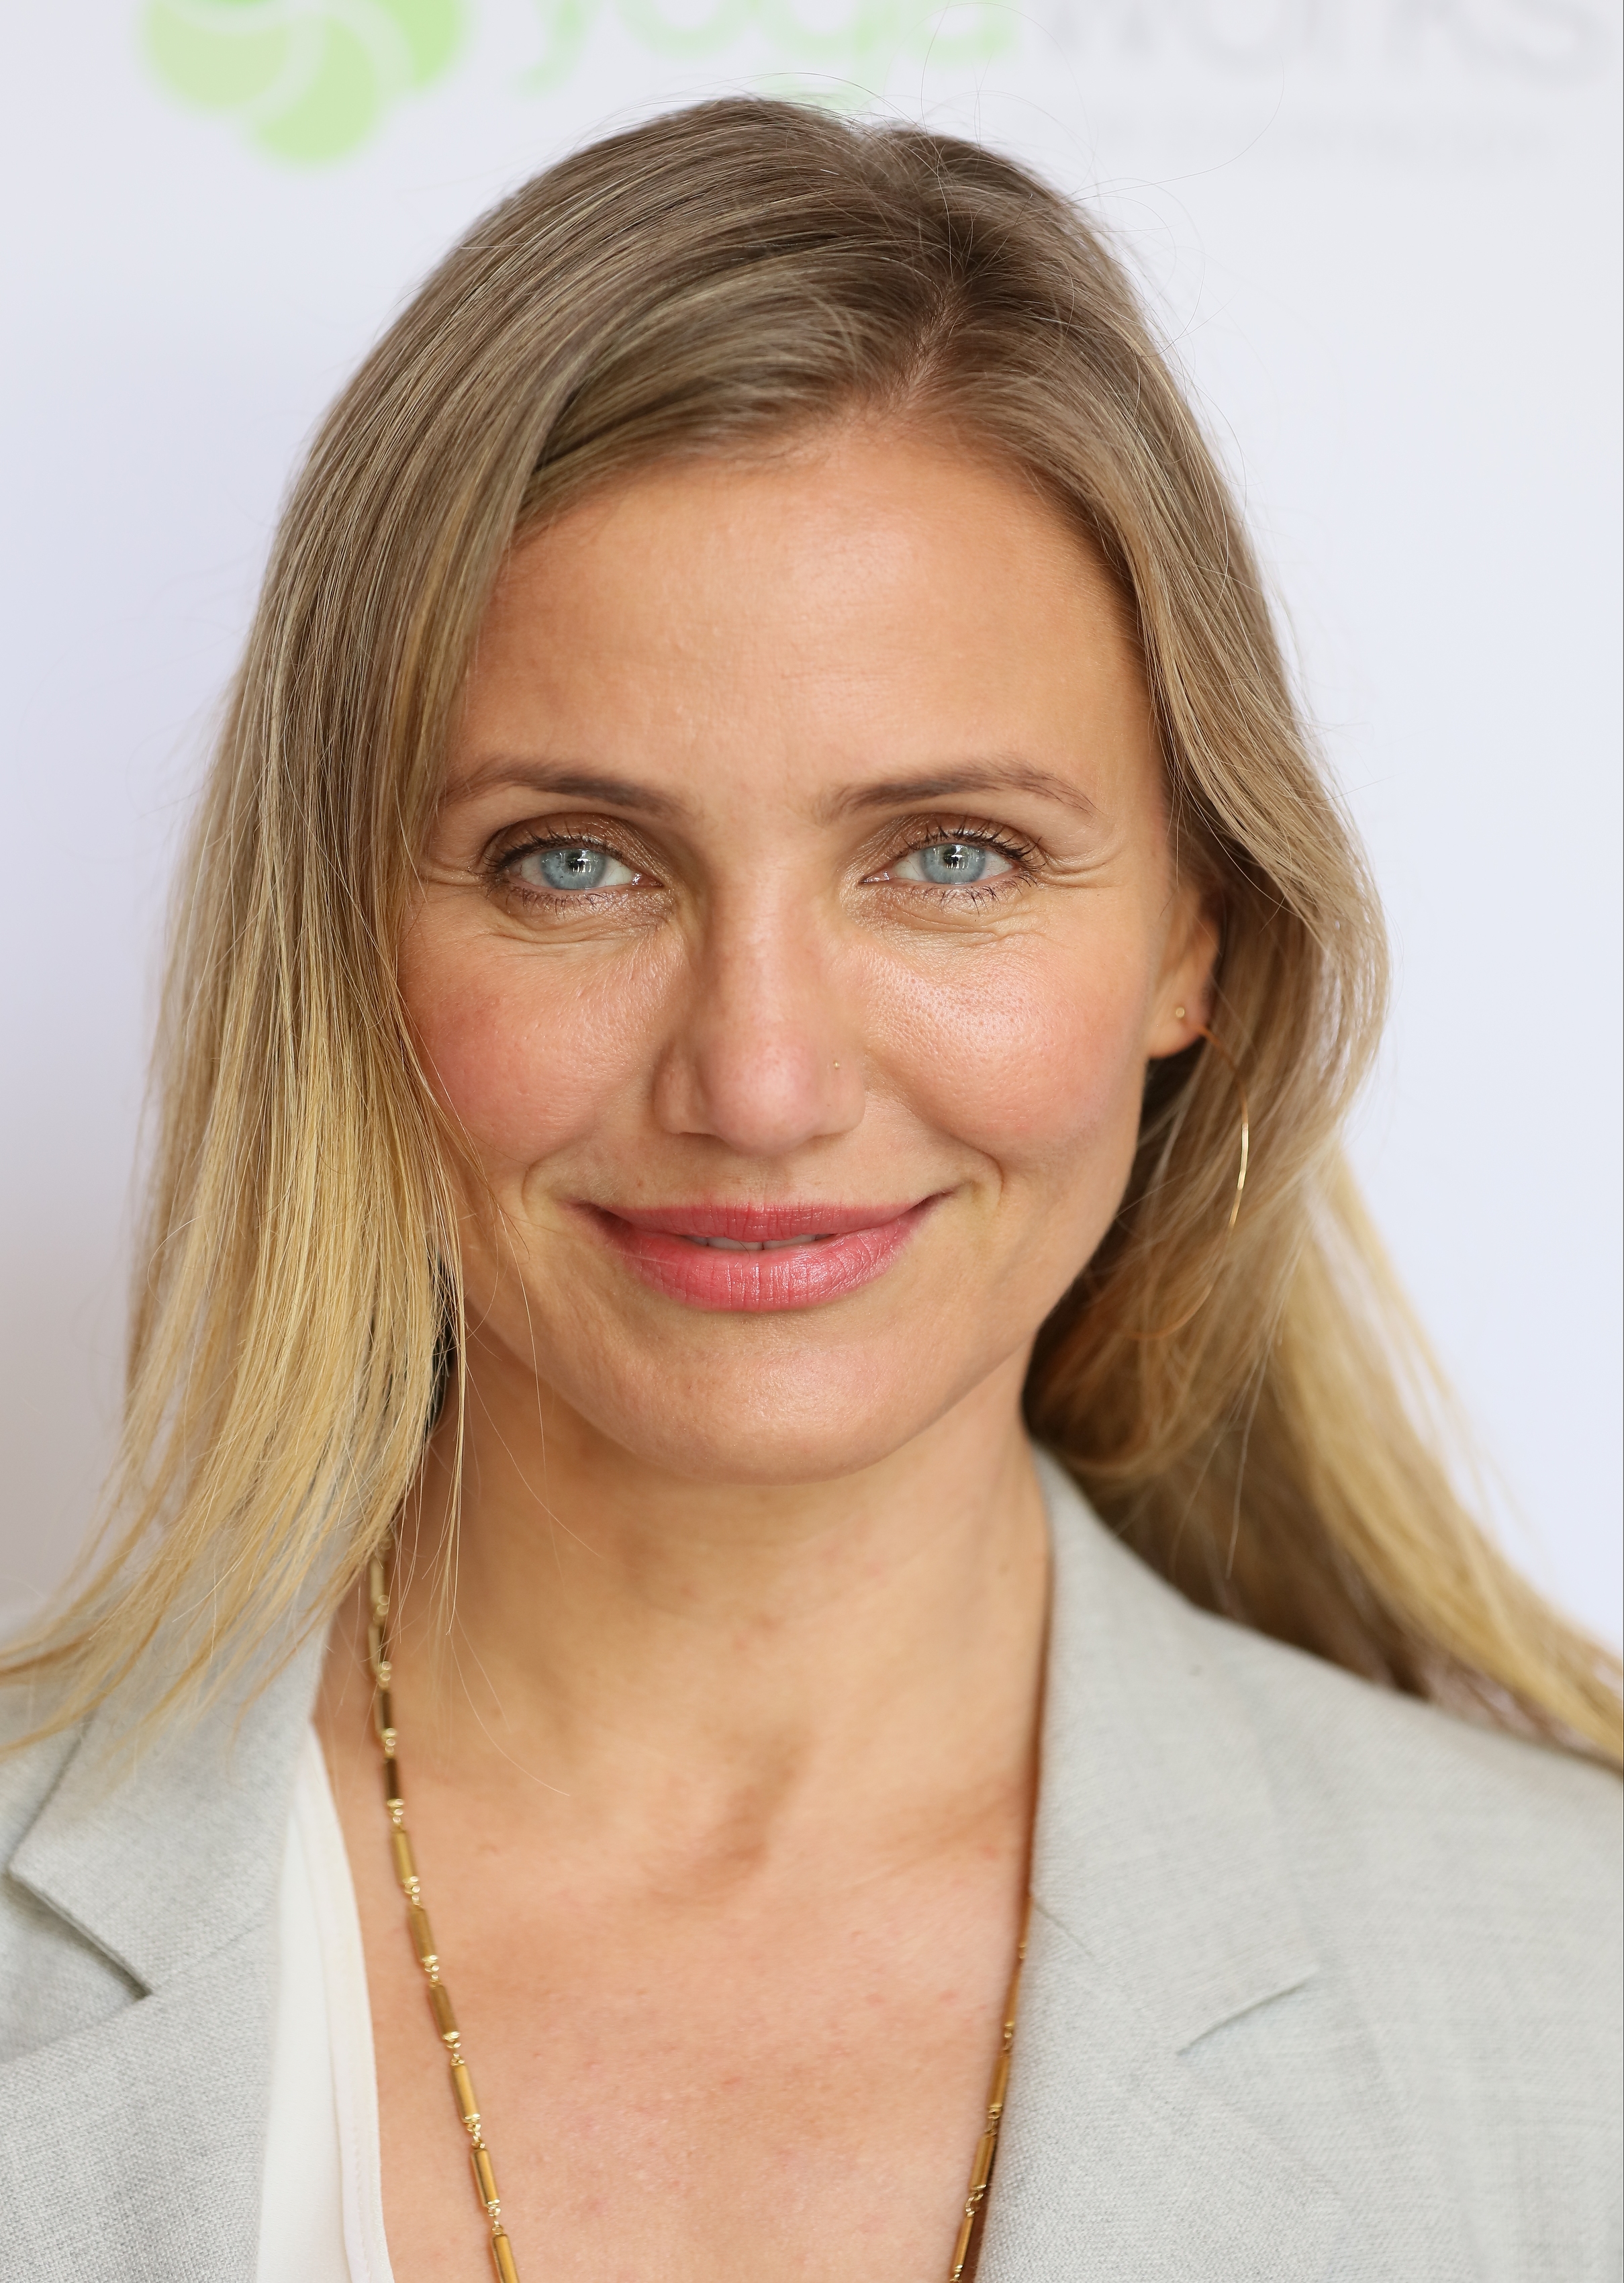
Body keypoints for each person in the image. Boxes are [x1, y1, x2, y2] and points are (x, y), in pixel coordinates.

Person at [0, 97, 1617, 2283]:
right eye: (571, 862)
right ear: (347, 946)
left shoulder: (1565, 1996)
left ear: (1195, 939)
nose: (756, 1080)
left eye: (947, 857)